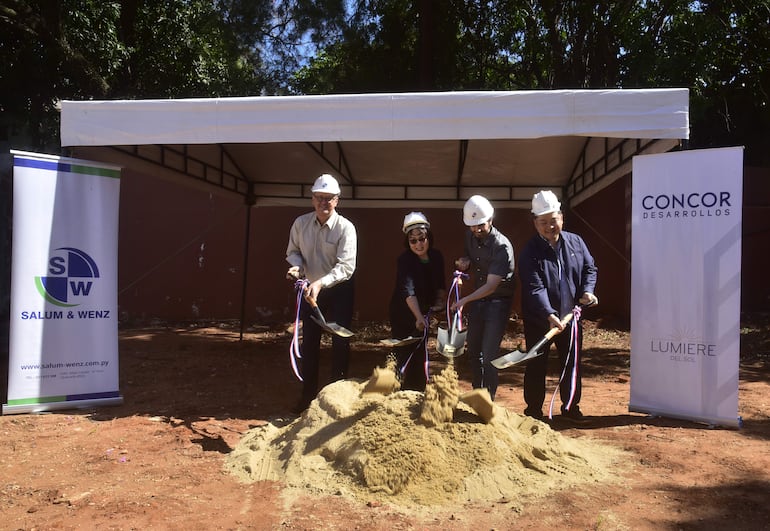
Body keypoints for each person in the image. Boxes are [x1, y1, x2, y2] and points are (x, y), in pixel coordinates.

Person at [519, 190, 598, 421]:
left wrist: (587, 290)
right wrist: (549, 313)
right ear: (535, 223)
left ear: (561, 218)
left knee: (571, 363)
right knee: (536, 365)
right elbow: (535, 288)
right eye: (543, 222)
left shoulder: (576, 242)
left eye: (553, 221)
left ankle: (571, 407)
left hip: (571, 319)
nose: (549, 226)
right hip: (540, 320)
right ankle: (533, 410)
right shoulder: (530, 252)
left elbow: (589, 269)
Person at [286, 173, 357, 414]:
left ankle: (337, 398)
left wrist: (321, 283)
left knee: (340, 341)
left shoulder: (346, 228)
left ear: (337, 200)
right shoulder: (300, 224)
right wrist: (296, 266)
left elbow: (346, 267)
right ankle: (307, 398)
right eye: (319, 197)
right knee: (310, 344)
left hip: (338, 288)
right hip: (310, 290)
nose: (323, 203)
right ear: (312, 198)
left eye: (328, 198)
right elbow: (293, 251)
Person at [453, 195, 515, 401]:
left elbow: (491, 286)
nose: (477, 229)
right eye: (473, 226)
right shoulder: (469, 236)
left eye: (481, 225)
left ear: (490, 219)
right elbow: (471, 258)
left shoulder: (501, 246)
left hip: (496, 302)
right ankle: (477, 393)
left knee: (489, 355)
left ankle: (488, 400)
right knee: (473, 350)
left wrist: (464, 300)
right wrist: (464, 263)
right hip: (479, 301)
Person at [388, 212, 446, 391]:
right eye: (413, 241)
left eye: (422, 239)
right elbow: (408, 291)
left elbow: (441, 285)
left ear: (429, 237)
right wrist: (418, 317)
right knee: (403, 350)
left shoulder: (436, 257)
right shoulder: (405, 260)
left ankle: (416, 393)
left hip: (424, 311)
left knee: (420, 353)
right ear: (408, 242)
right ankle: (395, 392)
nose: (419, 244)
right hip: (404, 312)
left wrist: (439, 303)